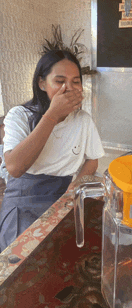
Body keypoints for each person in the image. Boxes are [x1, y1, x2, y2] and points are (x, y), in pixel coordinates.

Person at [0, 49, 105, 252]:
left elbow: (92, 161)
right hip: (24, 197)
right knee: (27, 257)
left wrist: (74, 188)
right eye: (59, 81)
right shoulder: (19, 116)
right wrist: (52, 115)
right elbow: (14, 168)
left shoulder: (83, 120)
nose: (69, 88)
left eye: (76, 81)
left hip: (63, 194)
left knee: (83, 248)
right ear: (42, 83)